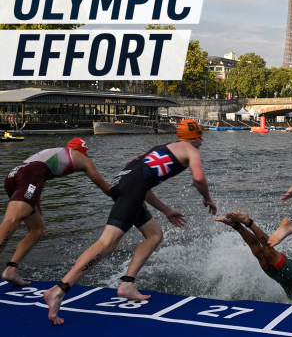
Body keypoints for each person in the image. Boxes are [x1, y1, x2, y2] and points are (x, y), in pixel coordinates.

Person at [43, 119, 217, 326]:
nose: (201, 143)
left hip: (121, 184)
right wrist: (207, 198)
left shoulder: (161, 149)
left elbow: (141, 184)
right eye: (201, 139)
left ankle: (127, 285)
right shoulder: (191, 151)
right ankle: (59, 289)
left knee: (154, 235)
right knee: (106, 243)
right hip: (131, 190)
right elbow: (198, 178)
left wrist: (167, 211)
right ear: (195, 138)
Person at [1, 138, 109, 286]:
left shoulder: (52, 153)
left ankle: (11, 270)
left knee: (38, 229)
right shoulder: (82, 158)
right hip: (29, 176)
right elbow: (106, 188)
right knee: (11, 220)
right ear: (84, 152)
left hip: (14, 175)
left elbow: (36, 182)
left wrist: (38, 211)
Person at [216, 212, 292, 299]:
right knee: (269, 251)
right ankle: (248, 222)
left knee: (258, 253)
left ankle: (236, 225)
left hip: (280, 279)